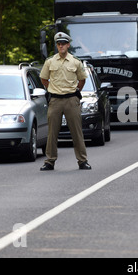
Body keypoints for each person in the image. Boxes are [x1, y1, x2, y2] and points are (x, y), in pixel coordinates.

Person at [39, 32, 91, 171]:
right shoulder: (50, 61)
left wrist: (74, 91)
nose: (61, 46)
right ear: (57, 45)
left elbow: (82, 80)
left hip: (71, 99)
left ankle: (82, 161)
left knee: (76, 131)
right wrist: (52, 88)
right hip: (55, 100)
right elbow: (44, 79)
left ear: (68, 45)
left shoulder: (75, 61)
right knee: (52, 133)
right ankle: (49, 161)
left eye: (63, 44)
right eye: (58, 44)